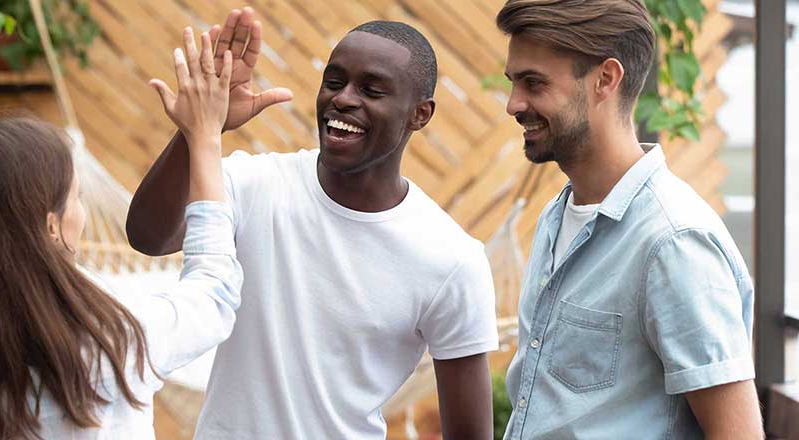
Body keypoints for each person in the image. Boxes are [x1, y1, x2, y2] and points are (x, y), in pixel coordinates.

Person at [128, 8, 499, 439]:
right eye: (335, 81)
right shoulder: (255, 184)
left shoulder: (452, 260)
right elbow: (149, 236)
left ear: (420, 114)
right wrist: (199, 129)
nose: (343, 99)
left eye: (372, 90)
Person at [0, 31, 240, 439]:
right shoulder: (113, 344)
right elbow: (214, 294)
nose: (82, 211)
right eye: (76, 198)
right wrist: (204, 138)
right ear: (51, 226)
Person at [496, 1, 763, 438]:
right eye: (514, 82)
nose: (513, 104)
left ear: (605, 79)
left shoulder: (673, 241)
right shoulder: (554, 217)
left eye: (533, 83)